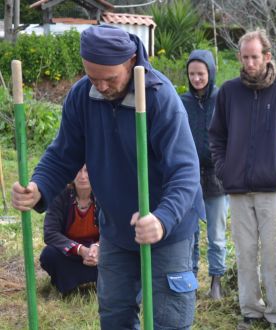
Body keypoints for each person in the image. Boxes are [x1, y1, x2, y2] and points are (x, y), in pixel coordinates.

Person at [11, 25, 204, 329]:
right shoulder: (82, 97)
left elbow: (185, 171)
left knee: (168, 319)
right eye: (92, 77)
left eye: (109, 78)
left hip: (168, 230)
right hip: (115, 229)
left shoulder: (159, 96)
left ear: (130, 62)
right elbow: (63, 153)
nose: (100, 86)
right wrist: (38, 187)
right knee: (114, 315)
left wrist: (162, 219)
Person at [209, 29, 276, 329]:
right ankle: (250, 311)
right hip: (237, 189)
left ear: (267, 56)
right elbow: (216, 136)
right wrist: (224, 169)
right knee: (245, 253)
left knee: (273, 255)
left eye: (255, 56)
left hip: (271, 188)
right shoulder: (229, 91)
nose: (250, 62)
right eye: (245, 56)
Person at [181, 49, 228, 300]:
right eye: (192, 74)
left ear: (210, 72)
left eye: (201, 73)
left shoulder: (222, 100)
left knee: (216, 235)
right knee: (190, 233)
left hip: (217, 176)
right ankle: (190, 279)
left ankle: (216, 281)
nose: (197, 78)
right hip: (188, 176)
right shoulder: (181, 102)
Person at [39, 165, 100, 294]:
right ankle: (68, 285)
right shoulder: (60, 196)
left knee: (120, 254)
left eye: (87, 170)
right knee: (49, 254)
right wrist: (80, 250)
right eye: (78, 170)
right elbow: (50, 233)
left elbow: (113, 229)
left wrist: (98, 247)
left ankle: (101, 280)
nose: (82, 176)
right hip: (70, 251)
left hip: (98, 253)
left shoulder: (104, 196)